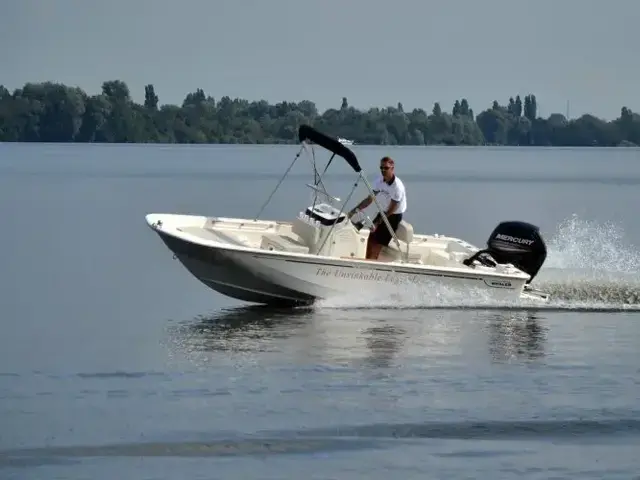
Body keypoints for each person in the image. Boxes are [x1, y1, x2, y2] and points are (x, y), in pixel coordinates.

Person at [348, 156, 407, 260]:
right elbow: (370, 199)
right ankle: (368, 260)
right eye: (381, 168)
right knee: (371, 238)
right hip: (383, 212)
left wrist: (377, 222)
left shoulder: (397, 186)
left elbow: (392, 208)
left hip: (393, 215)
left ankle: (373, 264)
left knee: (377, 243)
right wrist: (354, 211)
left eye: (386, 168)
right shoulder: (379, 181)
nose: (383, 170)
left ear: (392, 168)